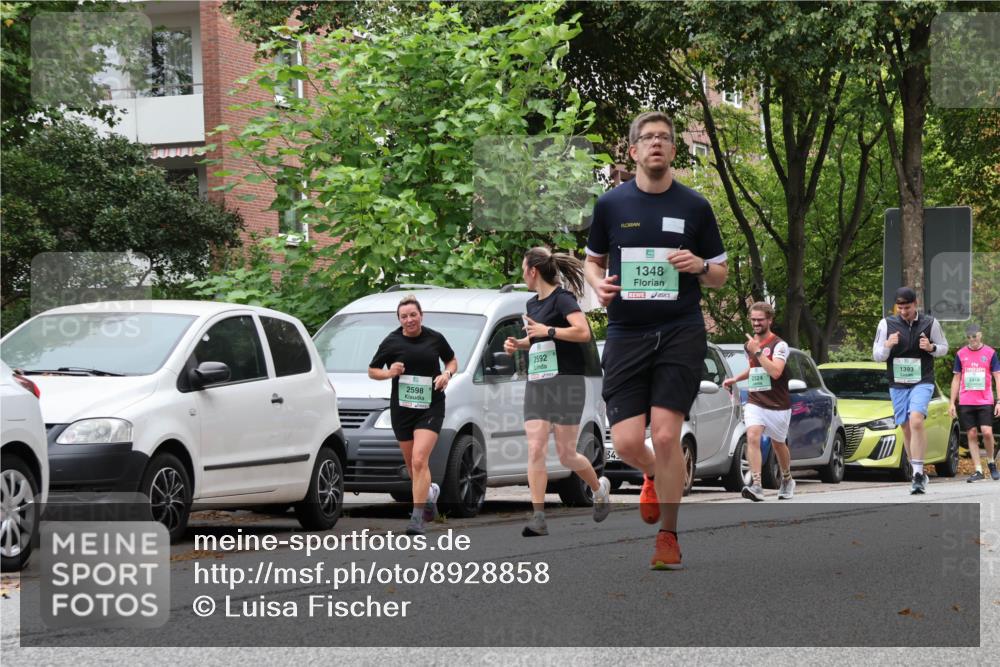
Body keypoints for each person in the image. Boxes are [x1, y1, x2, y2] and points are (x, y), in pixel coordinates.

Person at [584, 111, 728, 569]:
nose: (657, 144)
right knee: (626, 443)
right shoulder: (611, 206)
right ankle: (649, 474)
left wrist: (700, 267)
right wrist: (597, 286)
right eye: (648, 138)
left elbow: (721, 275)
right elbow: (591, 262)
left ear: (673, 149)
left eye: (665, 138)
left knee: (666, 435)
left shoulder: (695, 207)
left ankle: (668, 537)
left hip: (680, 330)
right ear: (633, 150)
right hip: (626, 332)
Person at [504, 247, 611, 536]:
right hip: (539, 382)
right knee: (536, 447)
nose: (522, 274)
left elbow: (582, 332)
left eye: (523, 268)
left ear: (533, 271)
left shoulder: (563, 299)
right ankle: (538, 516)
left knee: (566, 455)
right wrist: (519, 343)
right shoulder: (531, 304)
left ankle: (599, 489)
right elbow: (537, 338)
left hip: (566, 382)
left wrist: (548, 331)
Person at [369, 295, 458, 535]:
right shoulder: (391, 342)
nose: (409, 320)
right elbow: (372, 370)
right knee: (412, 466)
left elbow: (451, 360)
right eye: (404, 316)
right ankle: (430, 493)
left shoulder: (434, 338)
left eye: (413, 315)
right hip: (403, 409)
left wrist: (446, 376)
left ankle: (417, 517)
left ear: (421, 315)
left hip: (431, 406)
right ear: (399, 319)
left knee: (420, 460)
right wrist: (390, 373)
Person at [872, 286, 949, 494]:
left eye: (907, 307)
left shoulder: (930, 323)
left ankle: (916, 473)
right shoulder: (886, 324)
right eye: (900, 307)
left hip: (922, 380)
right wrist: (887, 345)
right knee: (905, 427)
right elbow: (877, 355)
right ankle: (919, 472)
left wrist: (931, 348)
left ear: (915, 304)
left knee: (916, 420)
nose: (903, 311)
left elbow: (944, 347)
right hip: (897, 383)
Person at [722, 302, 794, 501]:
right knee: (752, 436)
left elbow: (775, 372)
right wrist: (735, 379)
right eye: (753, 320)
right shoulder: (749, 345)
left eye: (760, 320)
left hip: (778, 404)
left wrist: (759, 351)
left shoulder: (779, 345)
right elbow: (755, 369)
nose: (756, 323)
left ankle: (787, 478)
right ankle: (757, 485)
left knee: (778, 444)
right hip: (756, 401)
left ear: (769, 320)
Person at [949, 323, 1000, 481]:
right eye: (969, 337)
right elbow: (956, 378)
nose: (972, 340)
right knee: (971, 434)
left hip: (985, 400)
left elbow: (997, 377)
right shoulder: (961, 354)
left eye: (975, 336)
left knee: (986, 432)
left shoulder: (990, 353)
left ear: (980, 335)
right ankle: (978, 470)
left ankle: (991, 462)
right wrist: (952, 402)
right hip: (966, 400)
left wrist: (999, 401)